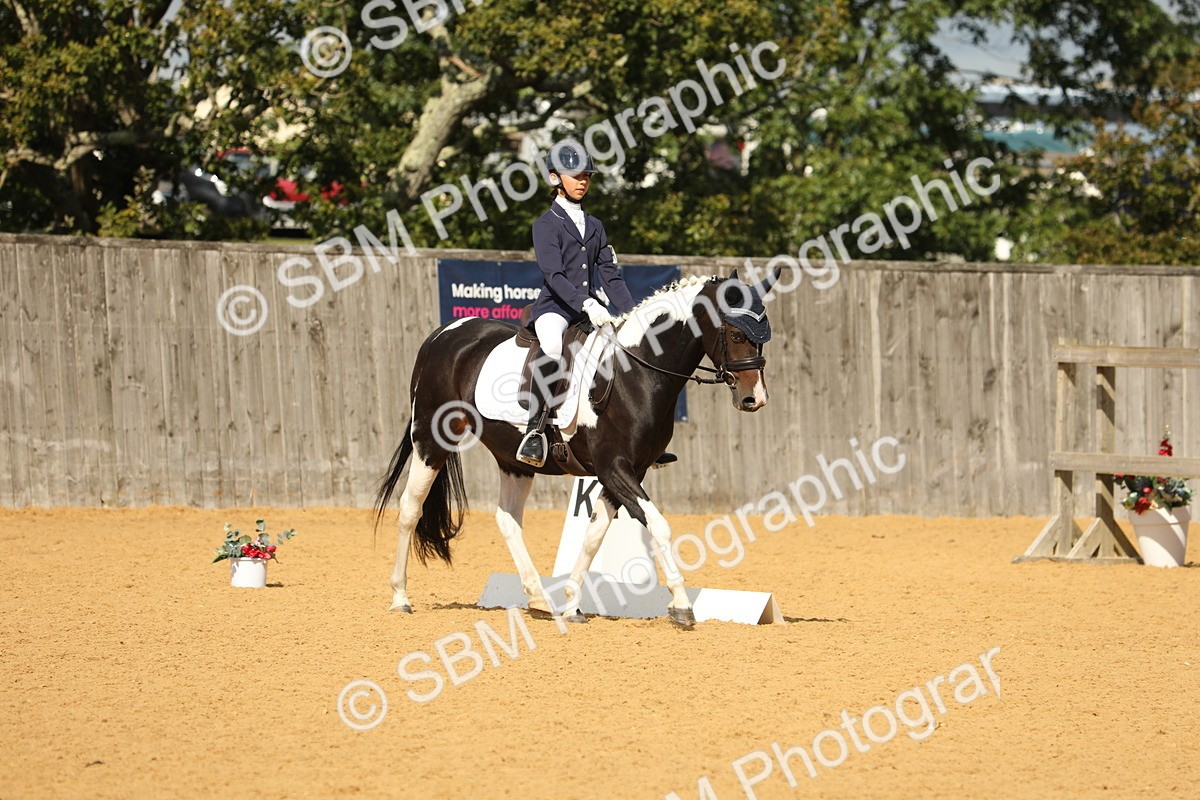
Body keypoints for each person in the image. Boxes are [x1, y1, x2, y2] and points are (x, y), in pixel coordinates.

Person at [516, 141, 636, 467]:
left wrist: (632, 314)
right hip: (555, 309)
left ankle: (637, 436)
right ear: (555, 178)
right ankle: (534, 431)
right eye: (575, 176)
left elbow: (610, 275)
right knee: (553, 348)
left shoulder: (595, 225)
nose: (582, 181)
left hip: (590, 310)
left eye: (587, 176)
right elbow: (553, 275)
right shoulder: (545, 224)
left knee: (624, 351)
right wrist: (585, 303)